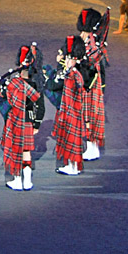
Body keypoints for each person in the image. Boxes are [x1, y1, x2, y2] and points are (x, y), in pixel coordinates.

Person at [0, 51, 41, 191]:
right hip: (28, 119)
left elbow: (0, 97)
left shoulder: (15, 83)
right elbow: (39, 103)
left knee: (16, 150)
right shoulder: (34, 84)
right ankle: (27, 181)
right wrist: (37, 123)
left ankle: (17, 180)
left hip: (16, 119)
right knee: (26, 151)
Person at [47, 36, 86, 176]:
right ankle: (71, 164)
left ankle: (73, 166)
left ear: (76, 59)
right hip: (71, 111)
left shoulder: (73, 75)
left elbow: (67, 93)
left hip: (71, 112)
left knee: (71, 140)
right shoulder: (73, 73)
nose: (67, 61)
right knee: (69, 140)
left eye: (70, 59)